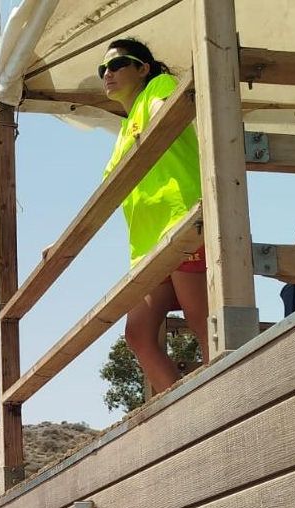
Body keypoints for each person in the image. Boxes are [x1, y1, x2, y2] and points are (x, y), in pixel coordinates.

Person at [101, 38, 209, 393]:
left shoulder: (159, 86)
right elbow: (106, 193)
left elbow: (169, 114)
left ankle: (229, 400)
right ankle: (184, 408)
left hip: (179, 223)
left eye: (117, 65)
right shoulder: (123, 130)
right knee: (138, 334)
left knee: (203, 321)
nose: (107, 74)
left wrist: (161, 105)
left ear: (142, 68)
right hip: (147, 247)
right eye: (103, 69)